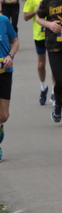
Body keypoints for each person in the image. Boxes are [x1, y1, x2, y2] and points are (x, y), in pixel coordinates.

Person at [23, 0, 58, 105]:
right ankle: (43, 87)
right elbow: (25, 17)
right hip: (39, 35)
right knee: (41, 64)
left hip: (54, 35)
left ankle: (55, 91)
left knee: (55, 65)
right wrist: (35, 11)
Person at [0, 9, 20, 161]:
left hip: (4, 72)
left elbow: (15, 41)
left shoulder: (4, 20)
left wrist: (10, 56)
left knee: (3, 116)